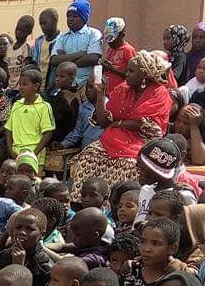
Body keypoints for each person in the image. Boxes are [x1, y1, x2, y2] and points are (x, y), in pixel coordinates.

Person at [70, 51, 172, 200]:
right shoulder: (122, 89)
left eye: (131, 71)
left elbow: (145, 126)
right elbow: (103, 122)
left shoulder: (159, 93)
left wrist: (118, 123)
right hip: (112, 138)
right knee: (88, 155)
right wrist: (100, 95)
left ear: (144, 74)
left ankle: (119, 206)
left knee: (130, 165)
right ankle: (83, 203)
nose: (127, 75)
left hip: (142, 141)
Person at [0, 208, 53, 286]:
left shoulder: (45, 267)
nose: (22, 232)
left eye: (30, 229)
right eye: (18, 227)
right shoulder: (3, 256)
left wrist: (18, 267)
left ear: (42, 235)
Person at [121, 218, 180, 286]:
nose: (146, 249)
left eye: (156, 244)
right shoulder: (130, 270)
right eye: (143, 242)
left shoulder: (174, 279)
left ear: (172, 248)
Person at [5, 69, 55, 169]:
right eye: (20, 85)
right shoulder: (16, 105)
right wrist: (11, 150)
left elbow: (48, 132)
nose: (21, 88)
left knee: (33, 182)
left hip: (34, 153)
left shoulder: (44, 106)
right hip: (16, 152)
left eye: (25, 84)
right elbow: (8, 129)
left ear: (36, 86)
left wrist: (34, 153)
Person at [49, 0, 103, 88]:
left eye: (74, 16)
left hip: (88, 85)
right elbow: (54, 60)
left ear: (84, 18)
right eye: (69, 16)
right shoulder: (62, 38)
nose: (70, 19)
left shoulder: (93, 34)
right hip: (66, 87)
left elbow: (93, 58)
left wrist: (65, 62)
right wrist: (80, 54)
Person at [59, 76, 105, 149]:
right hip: (87, 147)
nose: (88, 90)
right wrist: (63, 144)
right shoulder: (83, 108)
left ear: (101, 88)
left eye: (91, 87)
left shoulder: (110, 106)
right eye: (86, 88)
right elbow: (78, 131)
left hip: (103, 148)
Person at [47, 62, 81, 142]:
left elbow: (56, 119)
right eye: (56, 76)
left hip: (62, 136)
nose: (57, 79)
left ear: (72, 78)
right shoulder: (76, 92)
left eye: (62, 76)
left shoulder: (63, 96)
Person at [102, 17, 137, 94]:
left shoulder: (128, 50)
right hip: (109, 92)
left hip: (123, 93)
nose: (109, 42)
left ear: (122, 35)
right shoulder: (110, 50)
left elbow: (135, 75)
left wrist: (113, 69)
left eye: (112, 38)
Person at [32, 9, 61, 89]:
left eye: (45, 23)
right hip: (39, 86)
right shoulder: (39, 41)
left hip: (53, 87)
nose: (42, 27)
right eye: (40, 24)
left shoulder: (62, 40)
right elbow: (35, 63)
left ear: (55, 21)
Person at [6, 16, 35, 89]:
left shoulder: (27, 47)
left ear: (29, 32)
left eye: (23, 31)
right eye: (17, 29)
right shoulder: (9, 48)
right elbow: (7, 68)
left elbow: (27, 69)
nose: (19, 33)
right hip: (10, 86)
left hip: (20, 88)